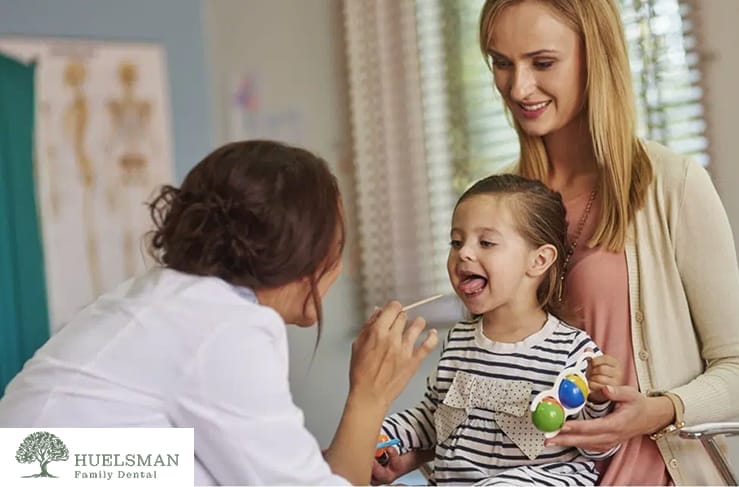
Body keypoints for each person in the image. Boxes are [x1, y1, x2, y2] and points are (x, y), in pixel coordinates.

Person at [0, 140, 439, 486]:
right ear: (303, 253)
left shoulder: (172, 297)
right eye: (338, 245)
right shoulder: (225, 329)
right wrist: (369, 395)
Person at [475, 0, 739, 485]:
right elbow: (494, 374)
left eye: (542, 63)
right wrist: (422, 449)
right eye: (502, 63)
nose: (518, 87)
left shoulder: (673, 184)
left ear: (596, 56)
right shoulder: (494, 204)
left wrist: (658, 410)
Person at [372, 175, 624, 485]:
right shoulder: (459, 342)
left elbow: (598, 446)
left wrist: (598, 400)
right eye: (456, 242)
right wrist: (384, 434)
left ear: (539, 260)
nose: (464, 253)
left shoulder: (573, 350)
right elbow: (435, 418)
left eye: (486, 242)